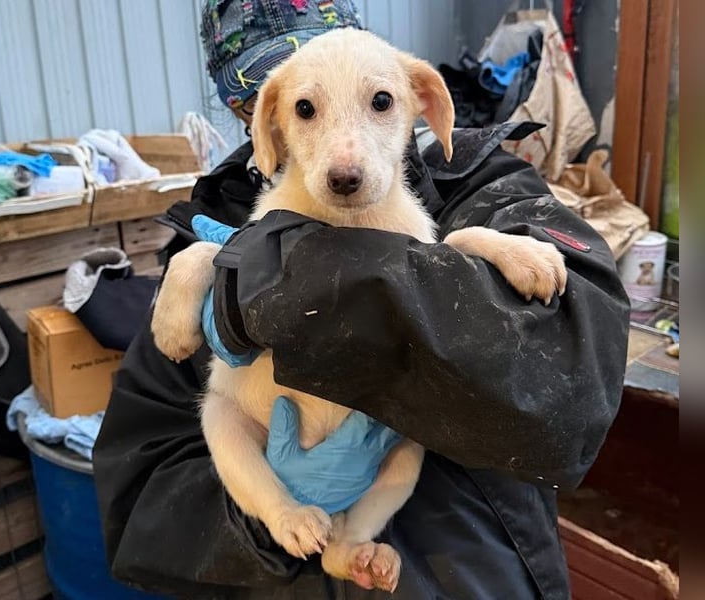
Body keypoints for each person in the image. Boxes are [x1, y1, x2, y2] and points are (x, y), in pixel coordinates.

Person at [92, 1, 630, 598]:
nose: (343, 158)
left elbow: (576, 390)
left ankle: (354, 539)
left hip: (467, 576)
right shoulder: (207, 235)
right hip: (283, 554)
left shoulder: (482, 184)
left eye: (377, 101)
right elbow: (137, 496)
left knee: (407, 455)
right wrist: (266, 520)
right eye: (304, 108)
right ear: (256, 114)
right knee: (218, 411)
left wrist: (470, 250)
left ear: (418, 99)